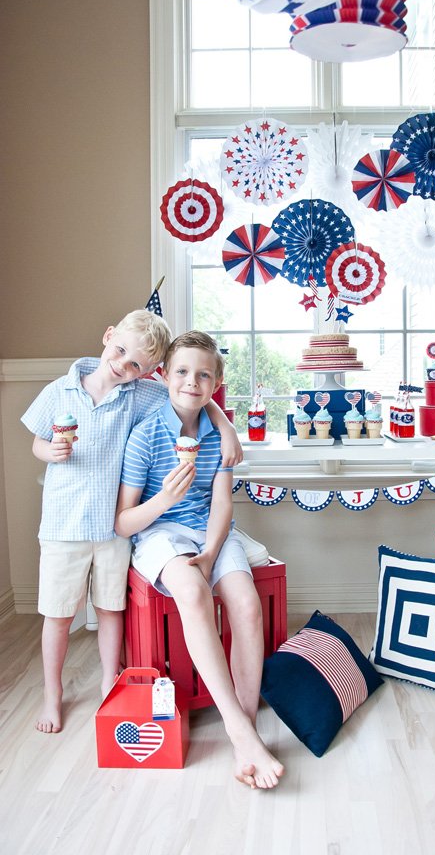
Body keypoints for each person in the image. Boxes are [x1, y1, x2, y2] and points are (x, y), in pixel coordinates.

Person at [21, 310, 243, 735]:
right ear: (108, 336)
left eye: (136, 365)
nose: (124, 366)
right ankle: (52, 694)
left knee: (110, 611)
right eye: (120, 352)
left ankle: (110, 681)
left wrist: (227, 428)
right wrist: (46, 452)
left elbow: (193, 393)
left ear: (147, 371)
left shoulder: (140, 393)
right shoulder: (60, 390)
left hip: (112, 529)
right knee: (58, 615)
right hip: (64, 528)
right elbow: (36, 438)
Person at [115, 331, 284, 790]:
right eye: (183, 372)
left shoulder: (217, 435)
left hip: (210, 529)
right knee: (191, 591)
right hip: (159, 532)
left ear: (216, 383)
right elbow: (124, 523)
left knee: (246, 605)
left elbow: (222, 504)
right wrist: (163, 499)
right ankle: (239, 730)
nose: (192, 381)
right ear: (164, 375)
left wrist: (211, 553)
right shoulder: (145, 436)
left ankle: (244, 731)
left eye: (204, 374)